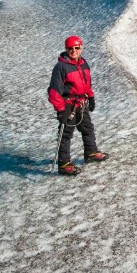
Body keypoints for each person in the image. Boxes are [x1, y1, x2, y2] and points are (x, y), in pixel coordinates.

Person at [47, 35, 109, 176]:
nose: (74, 51)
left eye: (76, 47)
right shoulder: (61, 67)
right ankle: (64, 164)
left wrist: (91, 96)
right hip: (68, 105)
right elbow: (54, 91)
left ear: (81, 47)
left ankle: (91, 152)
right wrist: (61, 110)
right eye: (70, 48)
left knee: (87, 128)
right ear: (66, 49)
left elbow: (87, 83)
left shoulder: (83, 64)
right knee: (66, 134)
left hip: (81, 103)